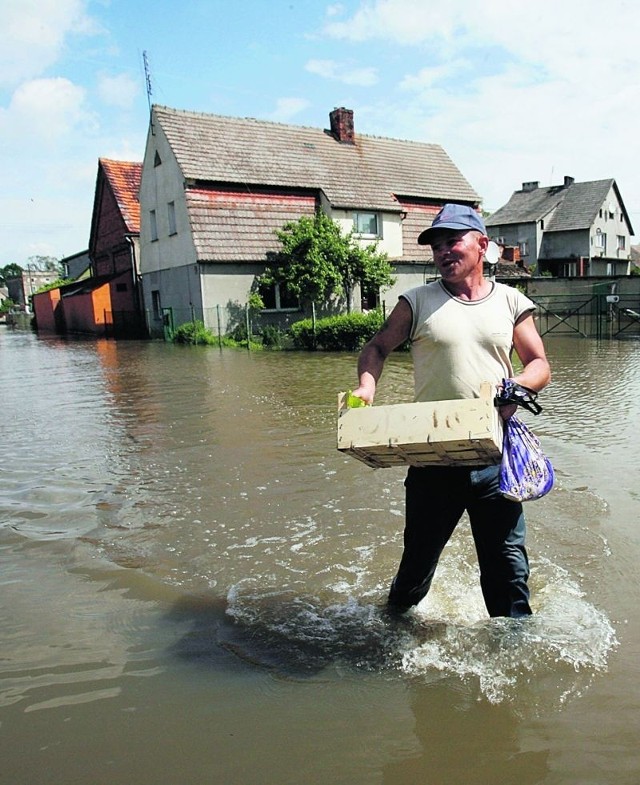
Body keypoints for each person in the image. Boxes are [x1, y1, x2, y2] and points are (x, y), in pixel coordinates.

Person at [352, 203, 551, 618]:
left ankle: (514, 648)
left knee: (508, 569)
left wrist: (516, 386)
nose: (443, 252)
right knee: (416, 568)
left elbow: (540, 364)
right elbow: (376, 347)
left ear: (482, 245)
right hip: (433, 458)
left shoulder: (512, 302)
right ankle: (391, 630)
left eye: (452, 241)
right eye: (436, 245)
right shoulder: (417, 301)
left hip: (494, 457)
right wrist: (367, 387)